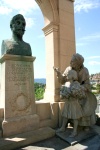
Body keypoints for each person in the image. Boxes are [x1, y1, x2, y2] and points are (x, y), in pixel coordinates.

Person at [54, 53, 97, 132]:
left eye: (73, 61)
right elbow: (63, 80)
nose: (70, 62)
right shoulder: (68, 69)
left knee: (85, 102)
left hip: (81, 91)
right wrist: (59, 74)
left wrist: (80, 88)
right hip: (72, 92)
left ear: (78, 63)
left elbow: (87, 84)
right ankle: (68, 125)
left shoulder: (85, 70)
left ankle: (86, 124)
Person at [57, 69, 86, 137]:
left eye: (68, 74)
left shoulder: (76, 84)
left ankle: (75, 131)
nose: (67, 75)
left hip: (74, 103)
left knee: (75, 117)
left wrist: (74, 93)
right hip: (68, 102)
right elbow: (63, 93)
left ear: (73, 76)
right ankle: (63, 128)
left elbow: (80, 94)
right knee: (65, 116)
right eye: (67, 74)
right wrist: (63, 94)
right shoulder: (66, 84)